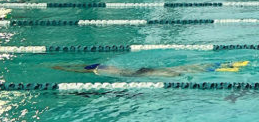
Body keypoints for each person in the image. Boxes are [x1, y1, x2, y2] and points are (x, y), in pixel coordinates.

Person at [53, 60, 248, 78]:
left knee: (181, 72)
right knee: (185, 69)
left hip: (144, 73)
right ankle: (221, 66)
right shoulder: (109, 68)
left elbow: (81, 71)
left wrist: (61, 68)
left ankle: (222, 68)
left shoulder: (102, 71)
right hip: (143, 70)